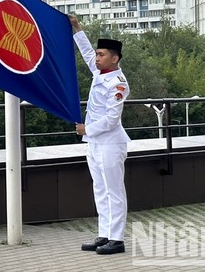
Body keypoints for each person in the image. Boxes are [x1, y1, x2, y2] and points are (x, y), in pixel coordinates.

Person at [69, 15, 130, 255]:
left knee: (114, 190)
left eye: (101, 54)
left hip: (110, 142)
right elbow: (85, 52)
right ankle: (104, 233)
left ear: (114, 58)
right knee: (100, 189)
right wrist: (77, 29)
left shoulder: (118, 83)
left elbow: (112, 119)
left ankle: (117, 238)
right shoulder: (100, 73)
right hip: (95, 142)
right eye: (97, 54)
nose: (96, 58)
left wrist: (87, 129)